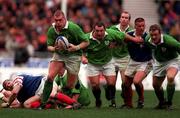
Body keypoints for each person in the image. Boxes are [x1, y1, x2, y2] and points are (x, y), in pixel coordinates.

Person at [82, 22, 143, 108]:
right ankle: (98, 100)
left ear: (105, 30)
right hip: (93, 63)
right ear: (93, 30)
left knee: (111, 84)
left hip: (108, 62)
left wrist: (135, 40)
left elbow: (123, 36)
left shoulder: (110, 33)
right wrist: (83, 57)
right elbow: (79, 49)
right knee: (95, 85)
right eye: (97, 31)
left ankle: (112, 100)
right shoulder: (86, 37)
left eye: (101, 31)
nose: (99, 33)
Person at [41, 9, 89, 108]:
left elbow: (86, 42)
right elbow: (49, 46)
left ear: (65, 19)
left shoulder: (73, 28)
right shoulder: (52, 30)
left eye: (60, 20)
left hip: (74, 55)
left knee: (70, 86)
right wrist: (54, 48)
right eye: (56, 20)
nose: (58, 23)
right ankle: (43, 104)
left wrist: (76, 47)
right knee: (50, 77)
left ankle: (66, 102)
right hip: (59, 54)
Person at [146, 24, 180, 109]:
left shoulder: (168, 41)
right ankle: (162, 103)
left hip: (172, 60)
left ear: (160, 33)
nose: (153, 37)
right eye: (152, 35)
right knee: (155, 85)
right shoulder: (147, 40)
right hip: (159, 62)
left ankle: (169, 103)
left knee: (170, 77)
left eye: (155, 35)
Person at [121, 18, 152, 109]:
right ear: (135, 26)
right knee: (126, 84)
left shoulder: (148, 36)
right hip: (133, 61)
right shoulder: (130, 34)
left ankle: (141, 99)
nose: (142, 28)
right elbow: (122, 36)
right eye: (139, 26)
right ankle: (129, 104)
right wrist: (134, 39)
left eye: (143, 25)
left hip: (146, 62)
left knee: (136, 81)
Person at [1, 74, 80, 109]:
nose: (7, 85)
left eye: (8, 83)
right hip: (38, 93)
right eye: (6, 87)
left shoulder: (17, 79)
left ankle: (74, 103)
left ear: (11, 81)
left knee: (52, 94)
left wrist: (8, 104)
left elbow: (14, 92)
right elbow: (20, 104)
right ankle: (50, 103)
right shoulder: (19, 95)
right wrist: (10, 106)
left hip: (43, 83)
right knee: (26, 104)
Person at [108, 11, 133, 101]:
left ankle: (124, 95)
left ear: (129, 20)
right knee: (111, 83)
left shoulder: (132, 31)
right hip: (112, 57)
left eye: (126, 18)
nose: (124, 19)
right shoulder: (113, 29)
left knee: (125, 82)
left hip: (125, 58)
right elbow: (108, 42)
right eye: (122, 17)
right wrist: (111, 43)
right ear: (120, 19)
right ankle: (112, 101)